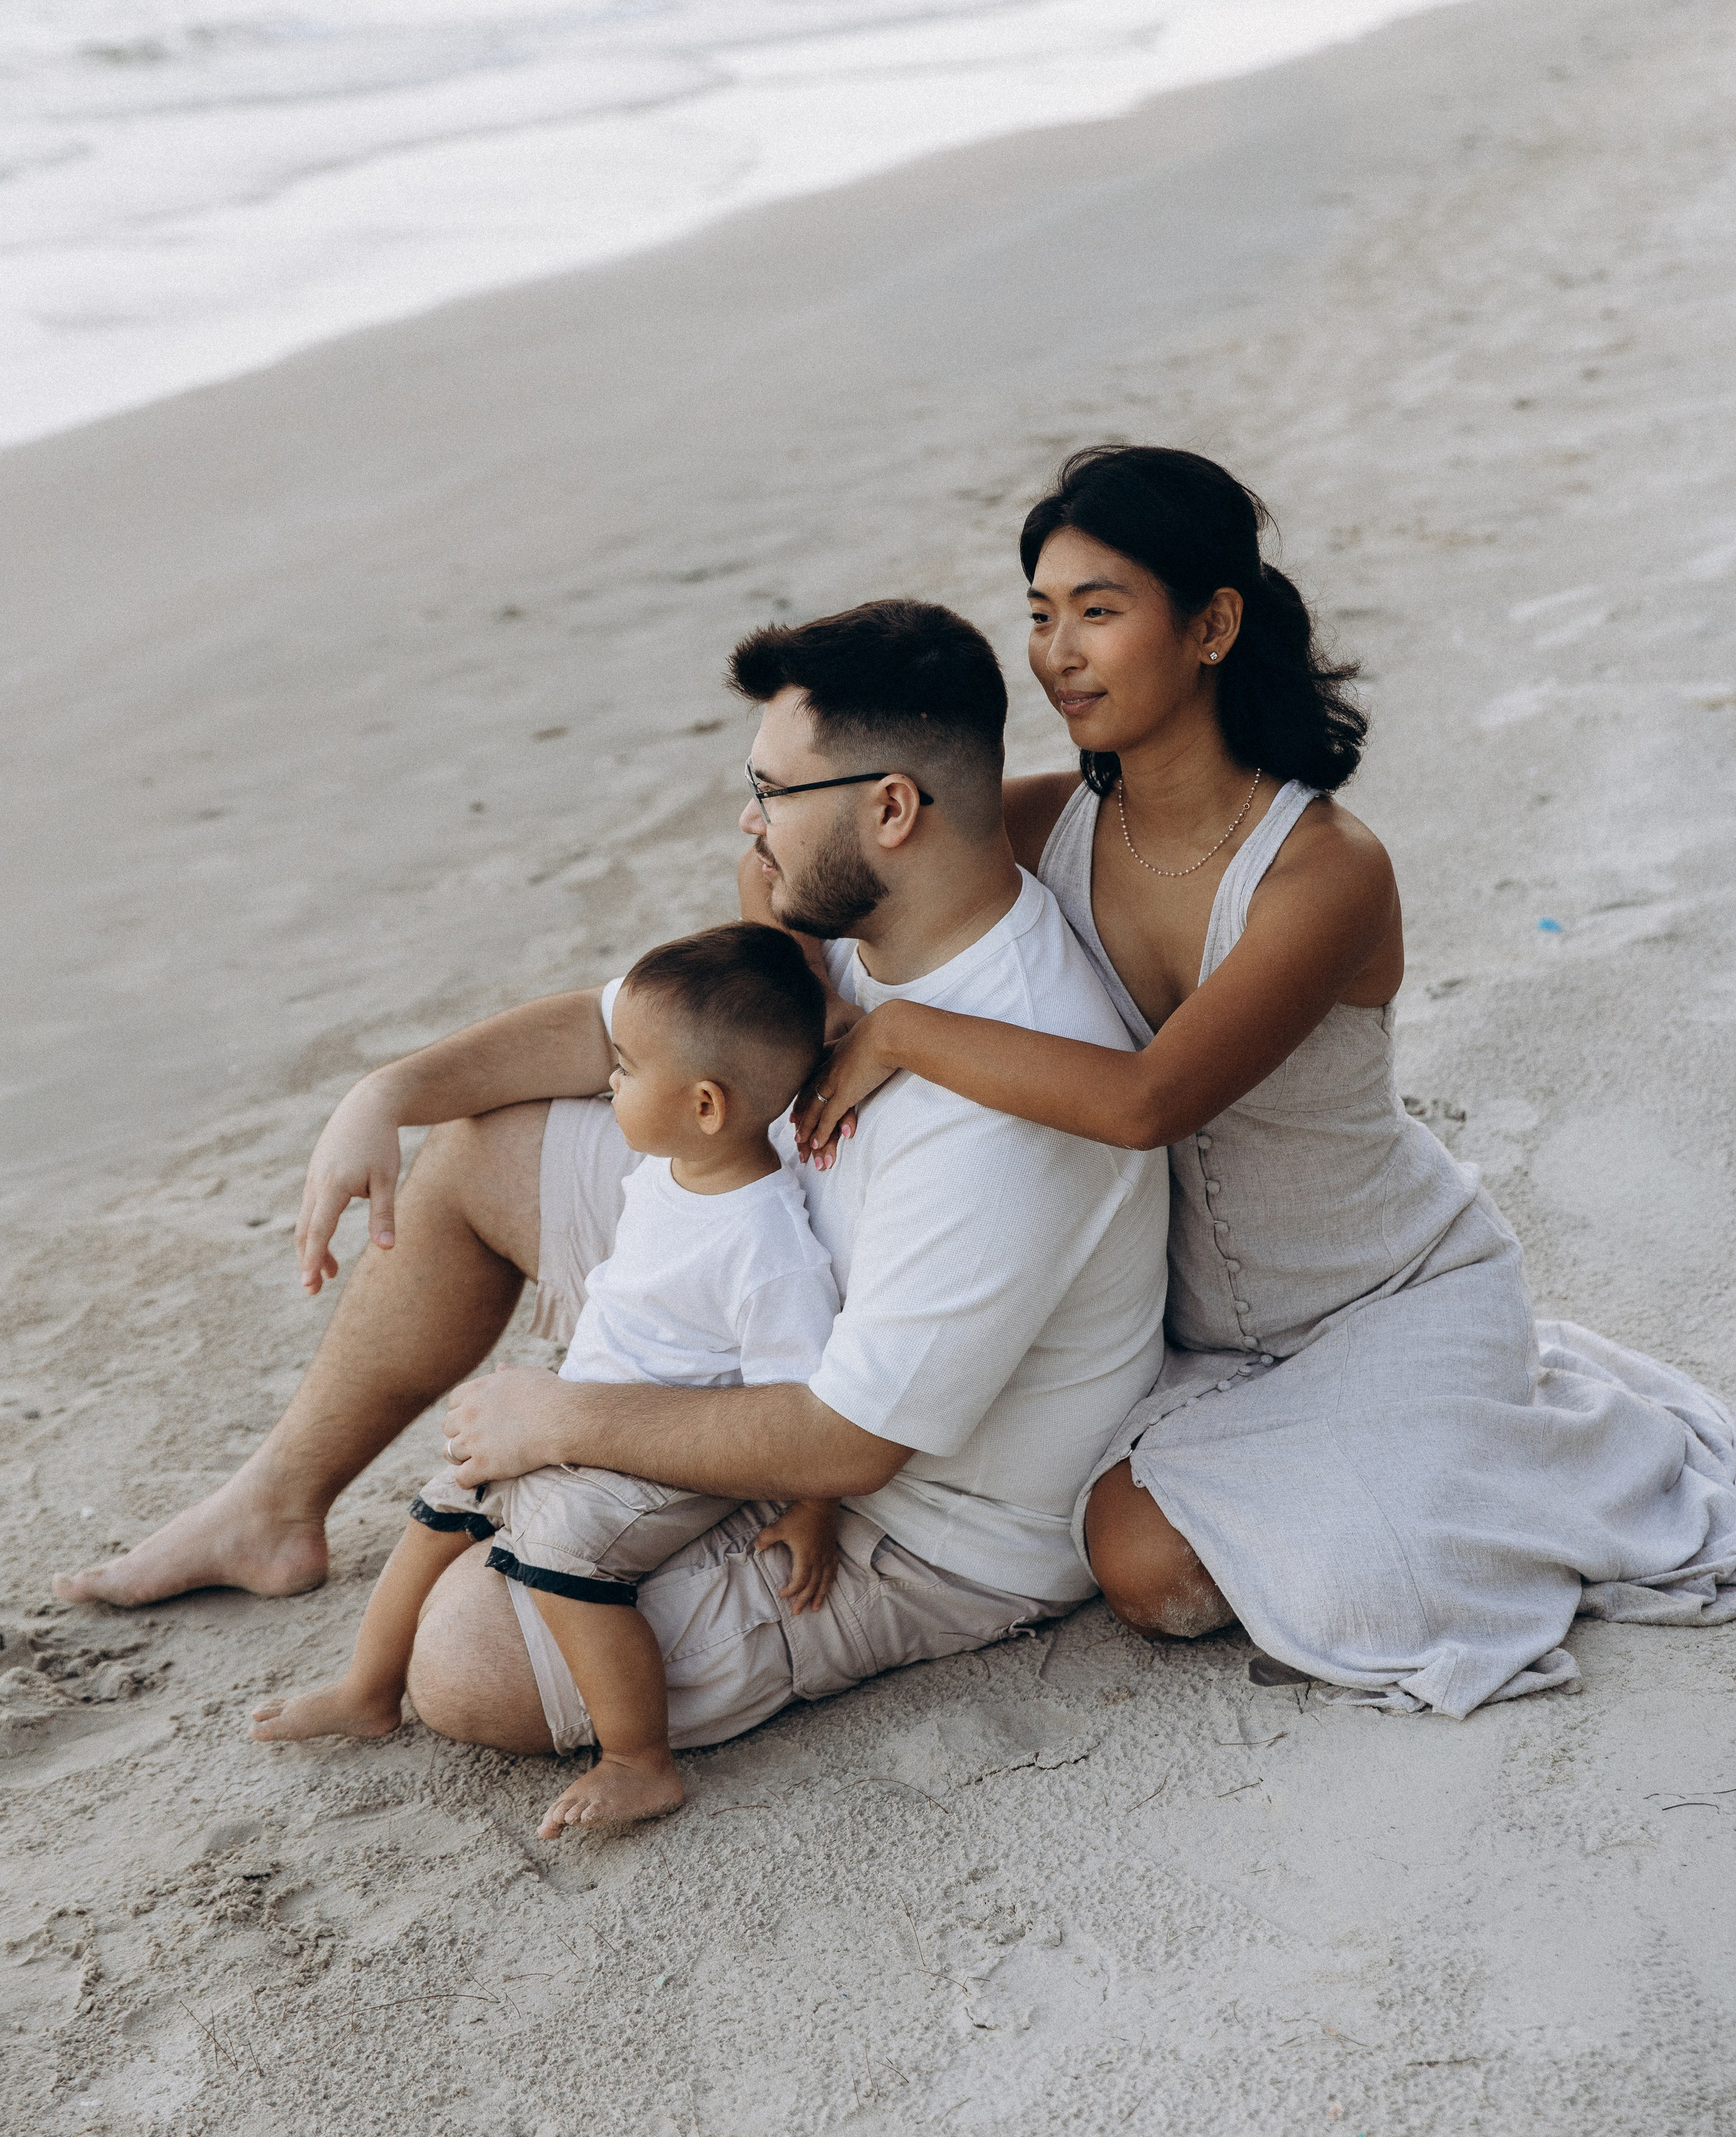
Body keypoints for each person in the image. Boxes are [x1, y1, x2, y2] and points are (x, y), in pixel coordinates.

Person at [57, 600, 1170, 1767]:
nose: (750, 820)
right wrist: (384, 1092)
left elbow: (849, 1440)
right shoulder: (858, 928)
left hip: (918, 1514)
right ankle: (277, 1504)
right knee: (481, 1149)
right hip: (763, 1270)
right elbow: (617, 1030)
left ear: (891, 809)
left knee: (467, 1662)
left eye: (773, 791)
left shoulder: (1007, 1102)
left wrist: (564, 1417)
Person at [789, 446, 1736, 1716]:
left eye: (1099, 611)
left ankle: (1565, 1445)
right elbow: (812, 858)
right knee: (1131, 1558)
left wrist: (900, 1035)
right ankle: (1450, 1451)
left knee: (1158, 1570)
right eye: (1039, 613)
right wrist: (821, 982)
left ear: (1213, 625)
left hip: (1388, 1294)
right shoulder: (1042, 822)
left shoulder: (1325, 872)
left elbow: (1149, 1100)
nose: (1057, 652)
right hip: (1184, 1343)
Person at [248, 923, 844, 1832]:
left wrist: (814, 1507)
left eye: (629, 1068)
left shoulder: (767, 1244)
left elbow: (800, 1402)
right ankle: (368, 1687)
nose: (609, 1080)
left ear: (708, 1104)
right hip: (585, 1410)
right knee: (445, 1500)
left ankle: (639, 1758)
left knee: (563, 1552)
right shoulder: (670, 1163)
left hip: (668, 1453)